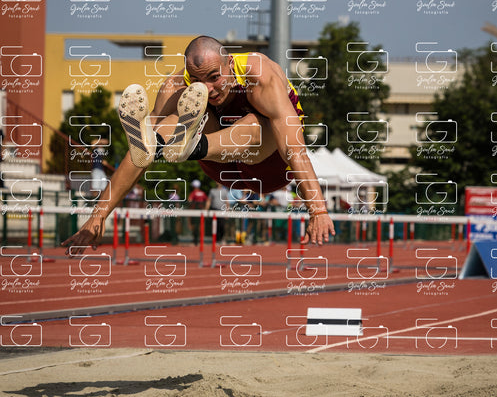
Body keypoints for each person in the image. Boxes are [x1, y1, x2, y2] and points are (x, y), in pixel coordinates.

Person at [63, 36, 335, 253]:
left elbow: (294, 149)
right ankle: (176, 144)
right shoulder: (175, 85)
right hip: (219, 164)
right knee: (166, 124)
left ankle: (189, 146)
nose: (208, 89)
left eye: (215, 77)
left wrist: (318, 209)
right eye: (197, 81)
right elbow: (139, 156)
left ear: (230, 64)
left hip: (268, 167)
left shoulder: (260, 75)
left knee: (254, 122)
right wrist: (98, 216)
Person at [187, 179, 208, 245]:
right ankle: (201, 240)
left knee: (194, 226)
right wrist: (205, 209)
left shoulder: (193, 193)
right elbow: (207, 200)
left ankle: (195, 240)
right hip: (201, 211)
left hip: (194, 211)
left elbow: (189, 200)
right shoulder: (203, 193)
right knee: (201, 226)